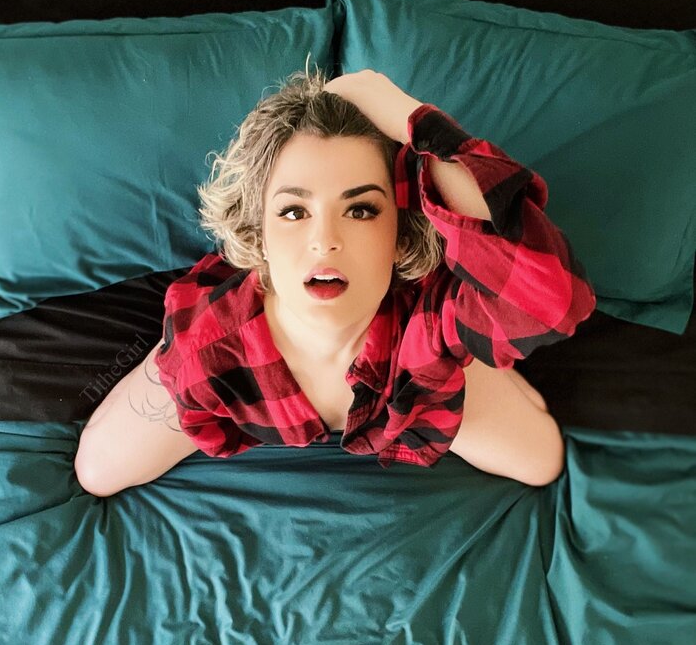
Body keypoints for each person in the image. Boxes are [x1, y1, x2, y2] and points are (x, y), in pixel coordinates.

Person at [74, 67, 596, 497]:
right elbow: (95, 472)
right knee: (99, 473)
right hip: (227, 350)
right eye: (294, 212)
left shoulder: (426, 331)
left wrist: (414, 120)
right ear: (259, 232)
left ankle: (470, 343)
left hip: (418, 364)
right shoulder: (211, 355)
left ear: (400, 232)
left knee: (541, 461)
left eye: (361, 210)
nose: (325, 241)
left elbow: (553, 299)